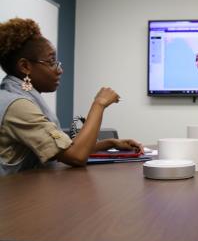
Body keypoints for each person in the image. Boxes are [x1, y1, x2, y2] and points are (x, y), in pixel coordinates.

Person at [0, 18, 143, 176]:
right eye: (52, 61)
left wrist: (110, 143)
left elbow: (63, 149)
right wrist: (99, 104)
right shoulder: (17, 105)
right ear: (25, 66)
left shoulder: (19, 97)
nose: (59, 70)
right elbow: (76, 156)